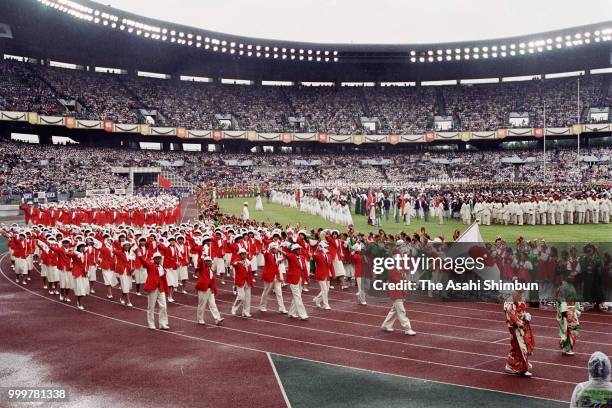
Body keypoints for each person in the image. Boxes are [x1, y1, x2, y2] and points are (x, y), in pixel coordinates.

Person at [503, 291, 535, 377]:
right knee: (522, 346)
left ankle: (510, 365)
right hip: (515, 327)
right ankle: (523, 369)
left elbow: (521, 311)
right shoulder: (509, 302)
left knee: (516, 346)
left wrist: (525, 315)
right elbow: (511, 315)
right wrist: (520, 322)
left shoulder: (520, 297)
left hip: (521, 325)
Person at [138, 251, 170, 330]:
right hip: (152, 288)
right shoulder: (150, 265)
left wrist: (166, 289)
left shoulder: (161, 267)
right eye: (157, 258)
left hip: (160, 288)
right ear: (154, 259)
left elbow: (163, 278)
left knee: (163, 306)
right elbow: (144, 262)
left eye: (160, 258)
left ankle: (162, 323)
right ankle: (151, 323)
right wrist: (139, 255)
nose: (159, 259)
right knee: (151, 306)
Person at [381, 266, 416, 336]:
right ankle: (407, 328)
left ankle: (386, 325)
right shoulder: (393, 269)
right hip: (395, 293)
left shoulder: (401, 269)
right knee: (401, 311)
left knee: (394, 311)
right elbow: (396, 280)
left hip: (400, 293)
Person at [194, 256, 224, 325]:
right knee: (202, 304)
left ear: (211, 263)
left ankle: (217, 318)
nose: (208, 262)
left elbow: (213, 281)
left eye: (209, 261)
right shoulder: (202, 269)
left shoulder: (211, 270)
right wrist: (202, 256)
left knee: (213, 304)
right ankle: (200, 319)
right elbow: (200, 263)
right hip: (203, 289)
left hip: (210, 290)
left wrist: (214, 290)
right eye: (206, 261)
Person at [259, 243, 287, 314]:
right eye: (275, 248)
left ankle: (282, 308)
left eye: (277, 248)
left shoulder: (277, 254)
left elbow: (284, 257)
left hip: (276, 276)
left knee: (279, 293)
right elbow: (265, 253)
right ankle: (262, 306)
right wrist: (266, 250)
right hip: (269, 276)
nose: (277, 249)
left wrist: (281, 252)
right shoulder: (268, 254)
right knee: (266, 292)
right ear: (271, 249)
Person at [285, 243, 309, 320]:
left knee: (297, 296)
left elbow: (304, 269)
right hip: (293, 279)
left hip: (301, 279)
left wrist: (307, 278)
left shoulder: (302, 257)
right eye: (298, 249)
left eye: (300, 249)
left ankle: (291, 313)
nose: (300, 250)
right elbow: (287, 255)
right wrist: (282, 249)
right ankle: (303, 314)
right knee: (298, 297)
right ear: (294, 250)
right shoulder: (291, 256)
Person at [556, 281, 581, 356]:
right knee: (569, 332)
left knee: (566, 332)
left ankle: (564, 348)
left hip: (568, 316)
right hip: (568, 317)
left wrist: (576, 310)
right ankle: (568, 349)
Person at [231, 248, 253, 318]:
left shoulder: (248, 262)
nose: (244, 255)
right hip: (240, 281)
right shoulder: (237, 261)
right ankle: (234, 308)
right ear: (240, 255)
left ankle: (246, 312)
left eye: (244, 254)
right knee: (241, 296)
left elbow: (250, 272)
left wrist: (251, 282)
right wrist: (236, 263)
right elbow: (233, 264)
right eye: (242, 254)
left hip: (247, 281)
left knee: (247, 298)